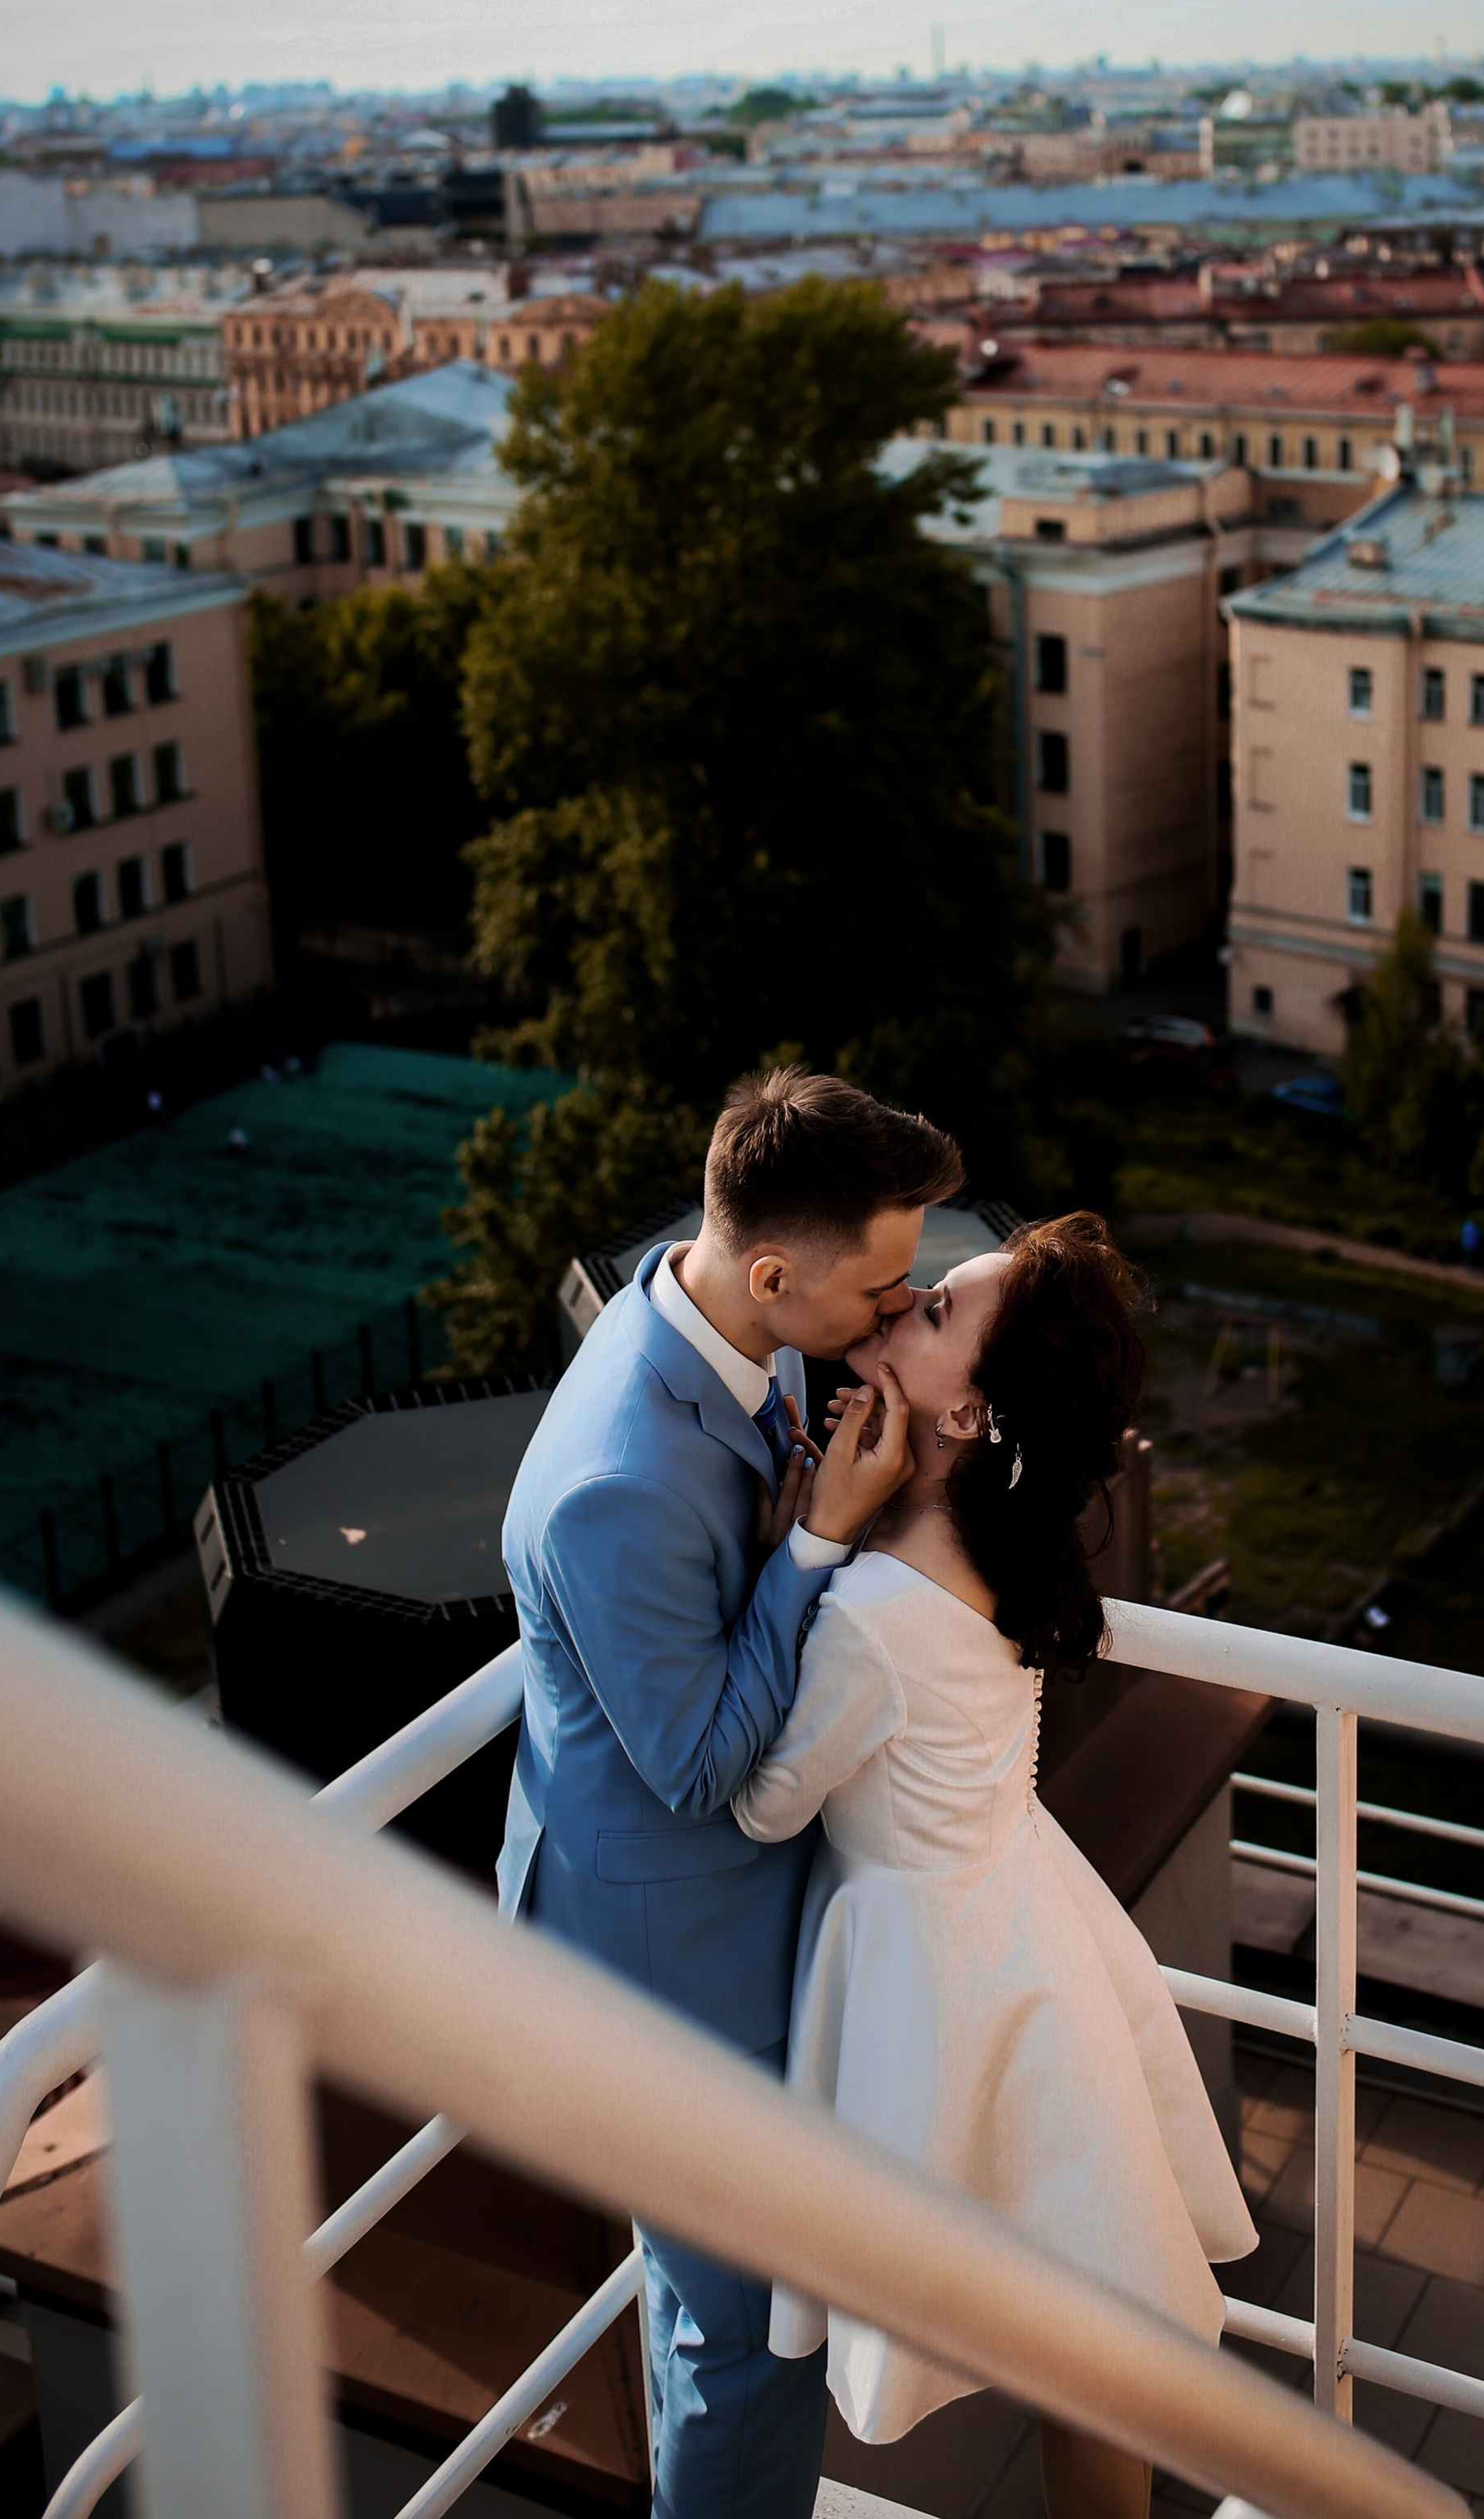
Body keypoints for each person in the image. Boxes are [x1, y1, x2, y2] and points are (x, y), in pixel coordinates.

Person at [734, 1214, 1256, 2519]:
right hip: (1029, 1935)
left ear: (967, 1413)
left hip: (943, 1987)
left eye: (931, 1312)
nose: (899, 1305)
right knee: (1085, 2331)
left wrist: (794, 1548)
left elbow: (761, 1802)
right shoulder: (992, 1558)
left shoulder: (869, 1613)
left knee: (1056, 2329)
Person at [499, 1066, 964, 2519]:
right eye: (881, 1289)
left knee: (713, 2292)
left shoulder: (716, 1322)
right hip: (663, 1943)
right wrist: (818, 1540)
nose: (894, 1314)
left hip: (718, 1906)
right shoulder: (613, 1480)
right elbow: (699, 1763)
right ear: (772, 1270)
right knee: (751, 2324)